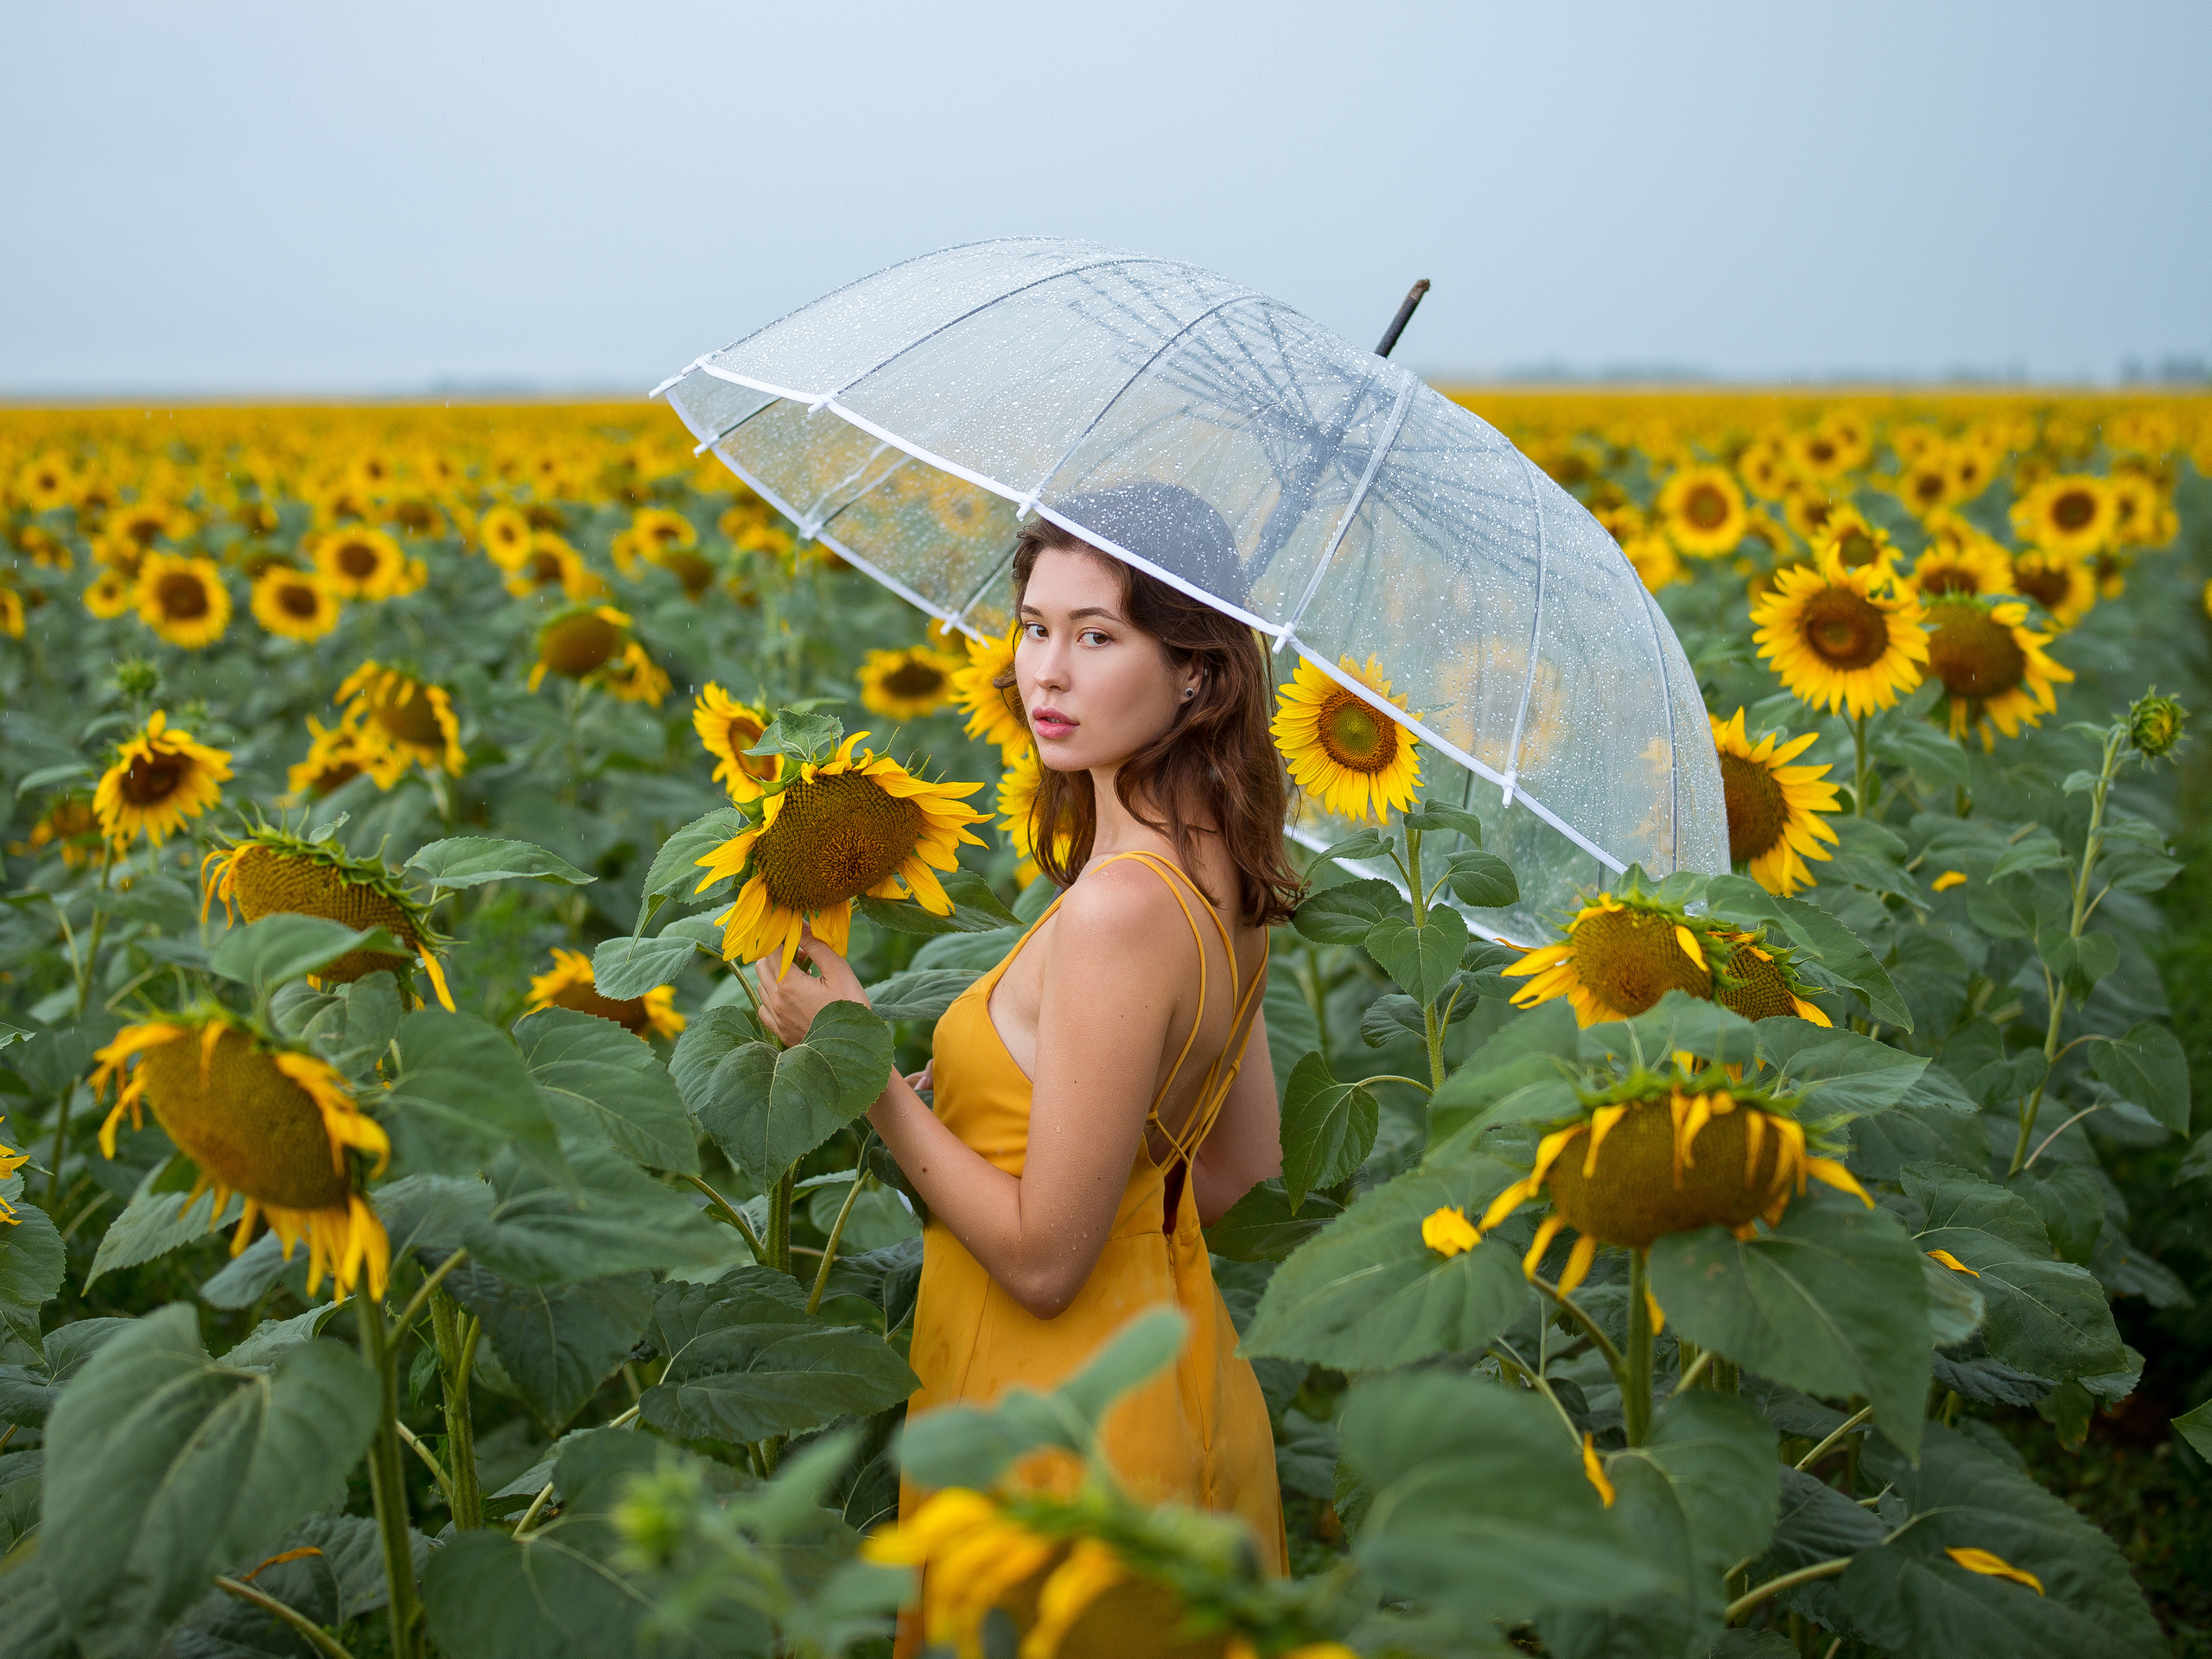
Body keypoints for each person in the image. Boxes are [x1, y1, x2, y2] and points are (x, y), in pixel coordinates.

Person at [748, 497, 1306, 1619]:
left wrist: (861, 1070)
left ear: (1196, 672)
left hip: (1058, 1427)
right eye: (1034, 624)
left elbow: (1046, 1261)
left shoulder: (1116, 916)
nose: (1045, 673)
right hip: (1183, 1387)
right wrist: (996, 1131)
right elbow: (1240, 1165)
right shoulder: (1225, 877)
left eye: (1097, 636)